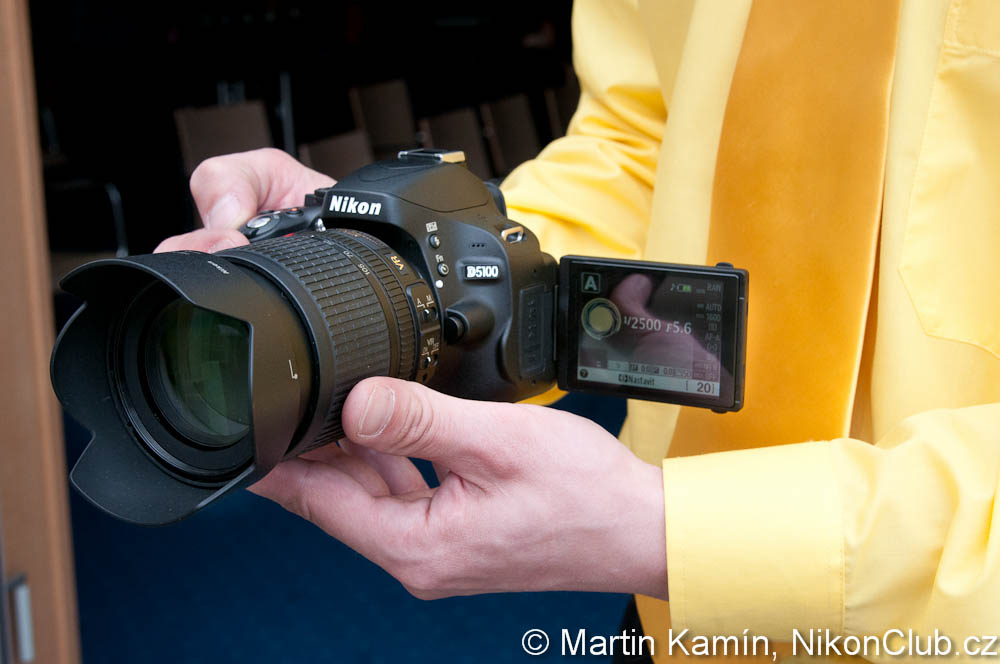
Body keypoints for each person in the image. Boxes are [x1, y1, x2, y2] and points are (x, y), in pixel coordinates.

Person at [157, 0, 1000, 661]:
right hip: (676, 614)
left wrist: (674, 534)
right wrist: (417, 261)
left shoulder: (659, 532)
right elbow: (643, 138)